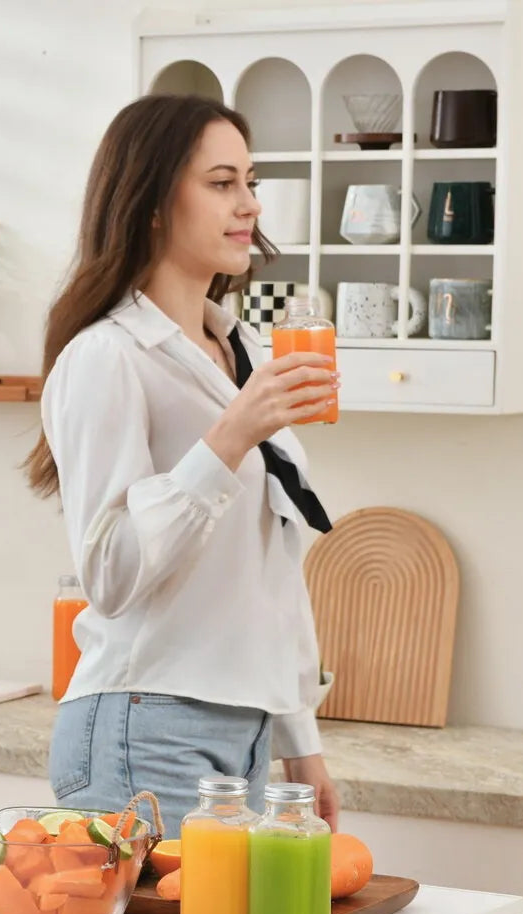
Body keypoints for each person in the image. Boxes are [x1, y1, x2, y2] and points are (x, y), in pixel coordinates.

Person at [25, 93, 342, 835]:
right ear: (154, 203)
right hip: (146, 724)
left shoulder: (244, 352)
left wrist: (301, 741)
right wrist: (228, 438)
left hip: (246, 733)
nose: (250, 206)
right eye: (221, 183)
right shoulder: (106, 359)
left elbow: (271, 563)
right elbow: (109, 574)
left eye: (251, 183)